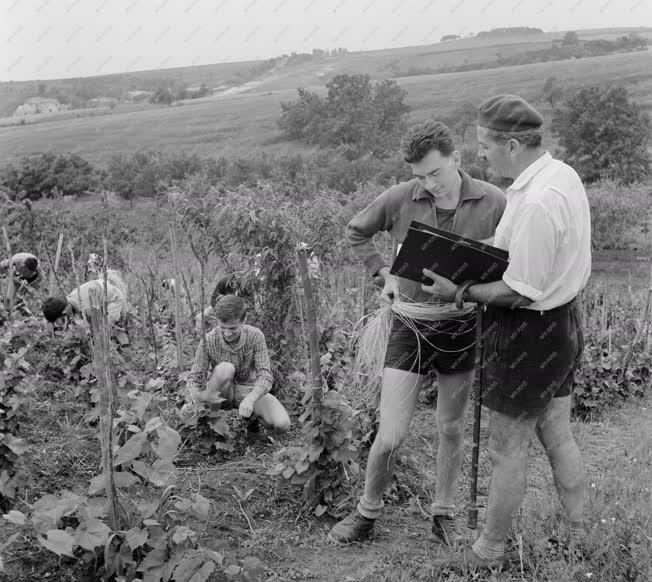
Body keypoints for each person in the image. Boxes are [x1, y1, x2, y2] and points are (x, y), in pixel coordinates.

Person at [421, 95, 590, 570]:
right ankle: (581, 531)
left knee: (505, 447)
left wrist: (462, 289)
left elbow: (520, 290)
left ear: (512, 144)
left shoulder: (538, 201)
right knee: (557, 432)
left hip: (528, 334)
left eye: (485, 146)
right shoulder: (559, 175)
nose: (480, 156)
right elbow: (517, 251)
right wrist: (468, 252)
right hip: (562, 323)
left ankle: (489, 550)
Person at [328, 120, 506, 545]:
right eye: (420, 176)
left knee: (450, 426)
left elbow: (513, 256)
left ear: (456, 159)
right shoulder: (400, 197)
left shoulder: (496, 201)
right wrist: (383, 273)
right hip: (409, 323)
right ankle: (367, 511)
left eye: (435, 173)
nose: (429, 184)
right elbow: (356, 230)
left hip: (463, 327)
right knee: (390, 434)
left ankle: (443, 513)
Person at [186, 294, 291, 433]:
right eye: (222, 327)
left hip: (246, 391)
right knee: (225, 368)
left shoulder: (255, 336)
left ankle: (251, 419)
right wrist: (195, 400)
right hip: (219, 394)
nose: (227, 333)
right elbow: (195, 378)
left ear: (243, 320)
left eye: (233, 328)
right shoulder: (209, 340)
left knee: (282, 424)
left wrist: (251, 399)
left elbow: (265, 376)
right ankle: (209, 422)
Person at [42, 277, 128, 326]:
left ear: (64, 312)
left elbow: (95, 325)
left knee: (106, 327)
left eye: (62, 318)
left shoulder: (86, 307)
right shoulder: (70, 299)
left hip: (114, 298)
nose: (65, 318)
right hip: (102, 295)